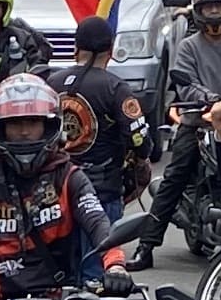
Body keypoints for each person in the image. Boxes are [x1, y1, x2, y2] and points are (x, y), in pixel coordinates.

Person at [0, 71, 126, 300]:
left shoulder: (69, 176)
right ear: (0, 128)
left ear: (48, 125)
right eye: (15, 124)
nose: (24, 132)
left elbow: (98, 222)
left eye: (32, 122)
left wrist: (115, 266)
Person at [49, 14, 152, 216]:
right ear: (110, 51)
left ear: (76, 49)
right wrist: (142, 159)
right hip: (103, 194)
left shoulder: (52, 83)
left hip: (58, 193)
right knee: (107, 238)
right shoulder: (116, 88)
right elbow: (138, 137)